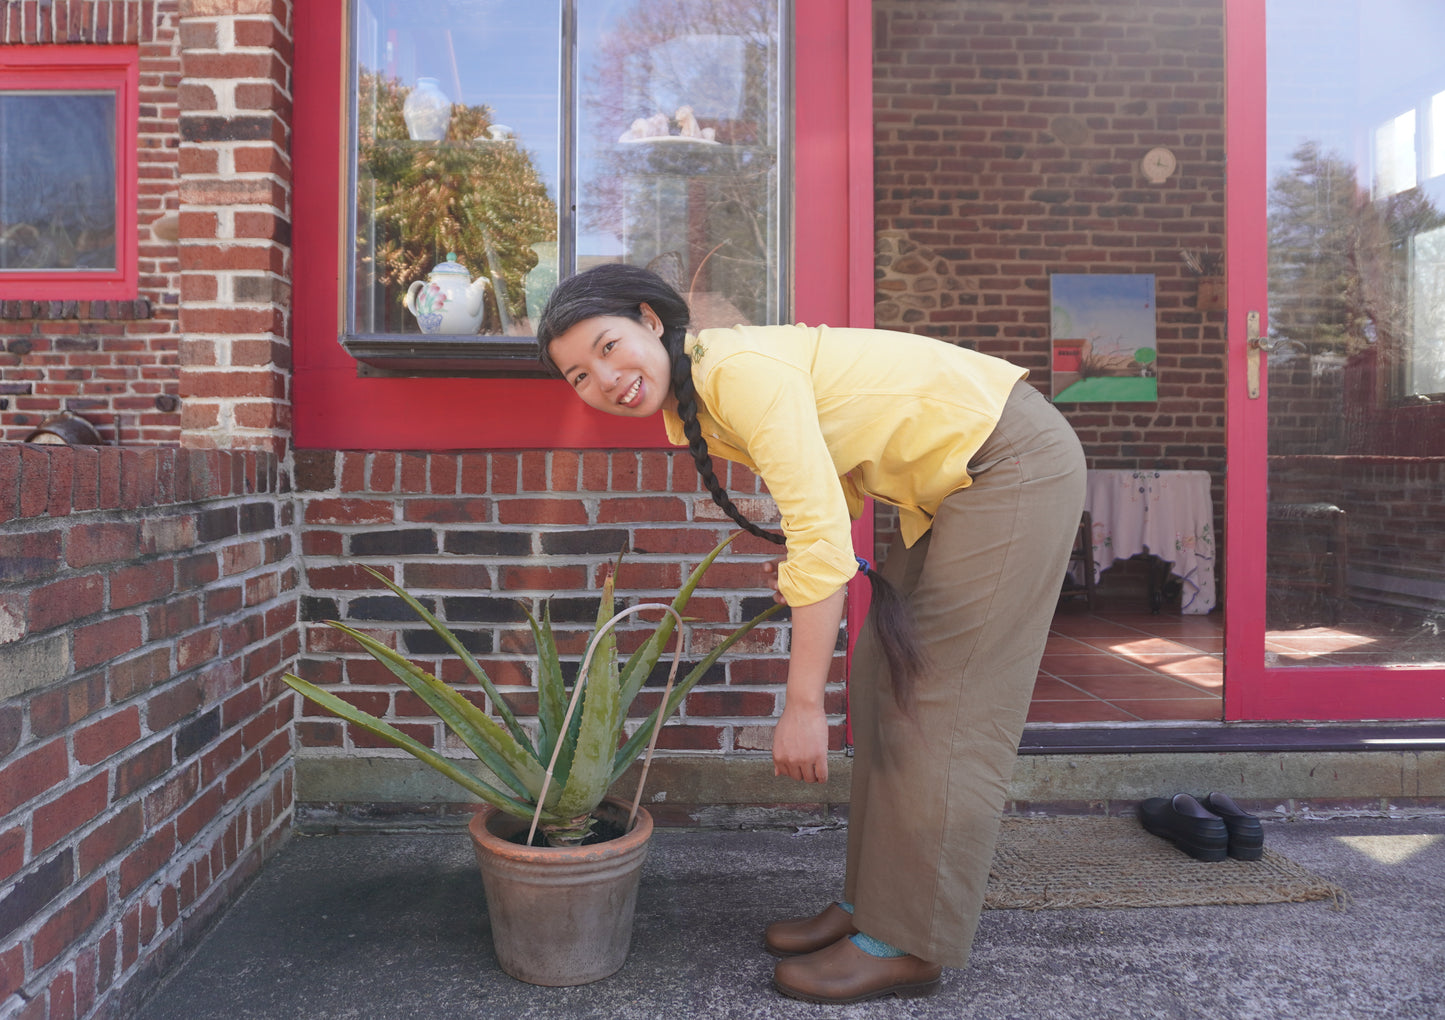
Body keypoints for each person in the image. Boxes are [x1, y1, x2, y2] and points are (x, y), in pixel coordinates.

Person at [536, 263, 1085, 1005]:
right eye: (577, 375)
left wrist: (802, 706)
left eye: (608, 346)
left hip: (1008, 466)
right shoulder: (699, 396)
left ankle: (908, 942)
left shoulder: (737, 372)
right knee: (882, 680)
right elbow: (829, 493)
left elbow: (821, 543)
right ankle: (871, 906)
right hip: (958, 483)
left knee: (939, 706)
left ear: (651, 320)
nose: (604, 378)